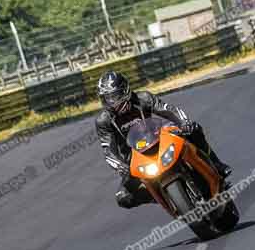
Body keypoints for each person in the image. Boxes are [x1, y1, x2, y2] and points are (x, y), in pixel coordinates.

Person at [94, 71, 232, 209]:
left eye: (114, 96)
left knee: (194, 129)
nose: (111, 102)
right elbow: (108, 149)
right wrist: (120, 165)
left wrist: (184, 122)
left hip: (158, 138)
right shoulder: (103, 121)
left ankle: (217, 164)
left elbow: (169, 110)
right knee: (123, 198)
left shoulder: (143, 98)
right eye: (106, 98)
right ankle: (159, 196)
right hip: (134, 159)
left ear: (125, 91)